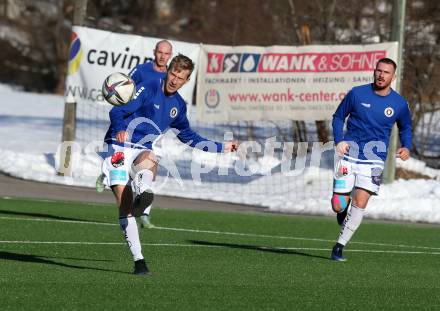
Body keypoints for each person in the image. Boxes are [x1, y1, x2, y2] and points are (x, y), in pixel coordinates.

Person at [100, 54, 238, 275]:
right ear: (168, 71)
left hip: (142, 148)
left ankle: (143, 192)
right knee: (124, 209)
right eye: (173, 73)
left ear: (186, 80)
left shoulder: (178, 106)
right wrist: (119, 128)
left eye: (180, 77)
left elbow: (189, 137)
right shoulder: (147, 87)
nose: (175, 80)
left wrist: (221, 147)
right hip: (118, 146)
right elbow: (117, 110)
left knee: (151, 158)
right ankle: (139, 260)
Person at [330, 58, 412, 261]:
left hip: (374, 159)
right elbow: (338, 116)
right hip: (349, 154)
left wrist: (406, 146)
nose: (381, 75)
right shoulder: (357, 93)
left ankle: (339, 247)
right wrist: (339, 140)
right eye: (378, 70)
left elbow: (406, 127)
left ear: (393, 77)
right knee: (338, 205)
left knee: (361, 201)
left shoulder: (399, 103)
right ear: (374, 71)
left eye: (386, 72)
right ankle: (343, 209)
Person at [97, 40, 173, 229]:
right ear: (154, 52)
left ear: (170, 55)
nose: (162, 56)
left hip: (153, 126)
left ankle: (144, 214)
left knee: (149, 166)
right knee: (117, 149)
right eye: (160, 52)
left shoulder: (170, 75)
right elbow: (126, 88)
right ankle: (105, 174)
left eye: (166, 53)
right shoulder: (141, 70)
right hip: (134, 121)